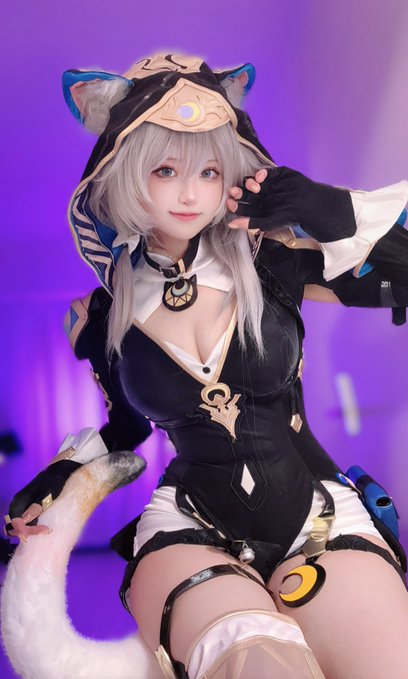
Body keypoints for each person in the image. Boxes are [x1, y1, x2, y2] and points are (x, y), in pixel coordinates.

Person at [5, 53, 408, 679]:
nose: (191, 193)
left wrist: (324, 207)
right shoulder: (102, 315)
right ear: (127, 175)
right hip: (189, 524)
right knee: (256, 665)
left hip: (317, 514)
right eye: (165, 170)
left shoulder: (272, 262)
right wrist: (61, 473)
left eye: (210, 171)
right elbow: (126, 427)